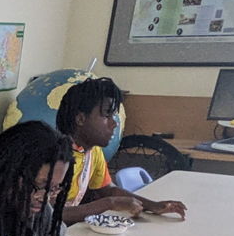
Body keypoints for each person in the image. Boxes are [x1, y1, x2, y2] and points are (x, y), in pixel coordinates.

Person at [55, 77, 187, 225]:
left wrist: (153, 206)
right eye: (107, 115)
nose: (114, 123)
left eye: (114, 116)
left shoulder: (93, 152)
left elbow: (108, 190)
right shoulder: (54, 156)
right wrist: (109, 203)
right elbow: (50, 213)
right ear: (80, 119)